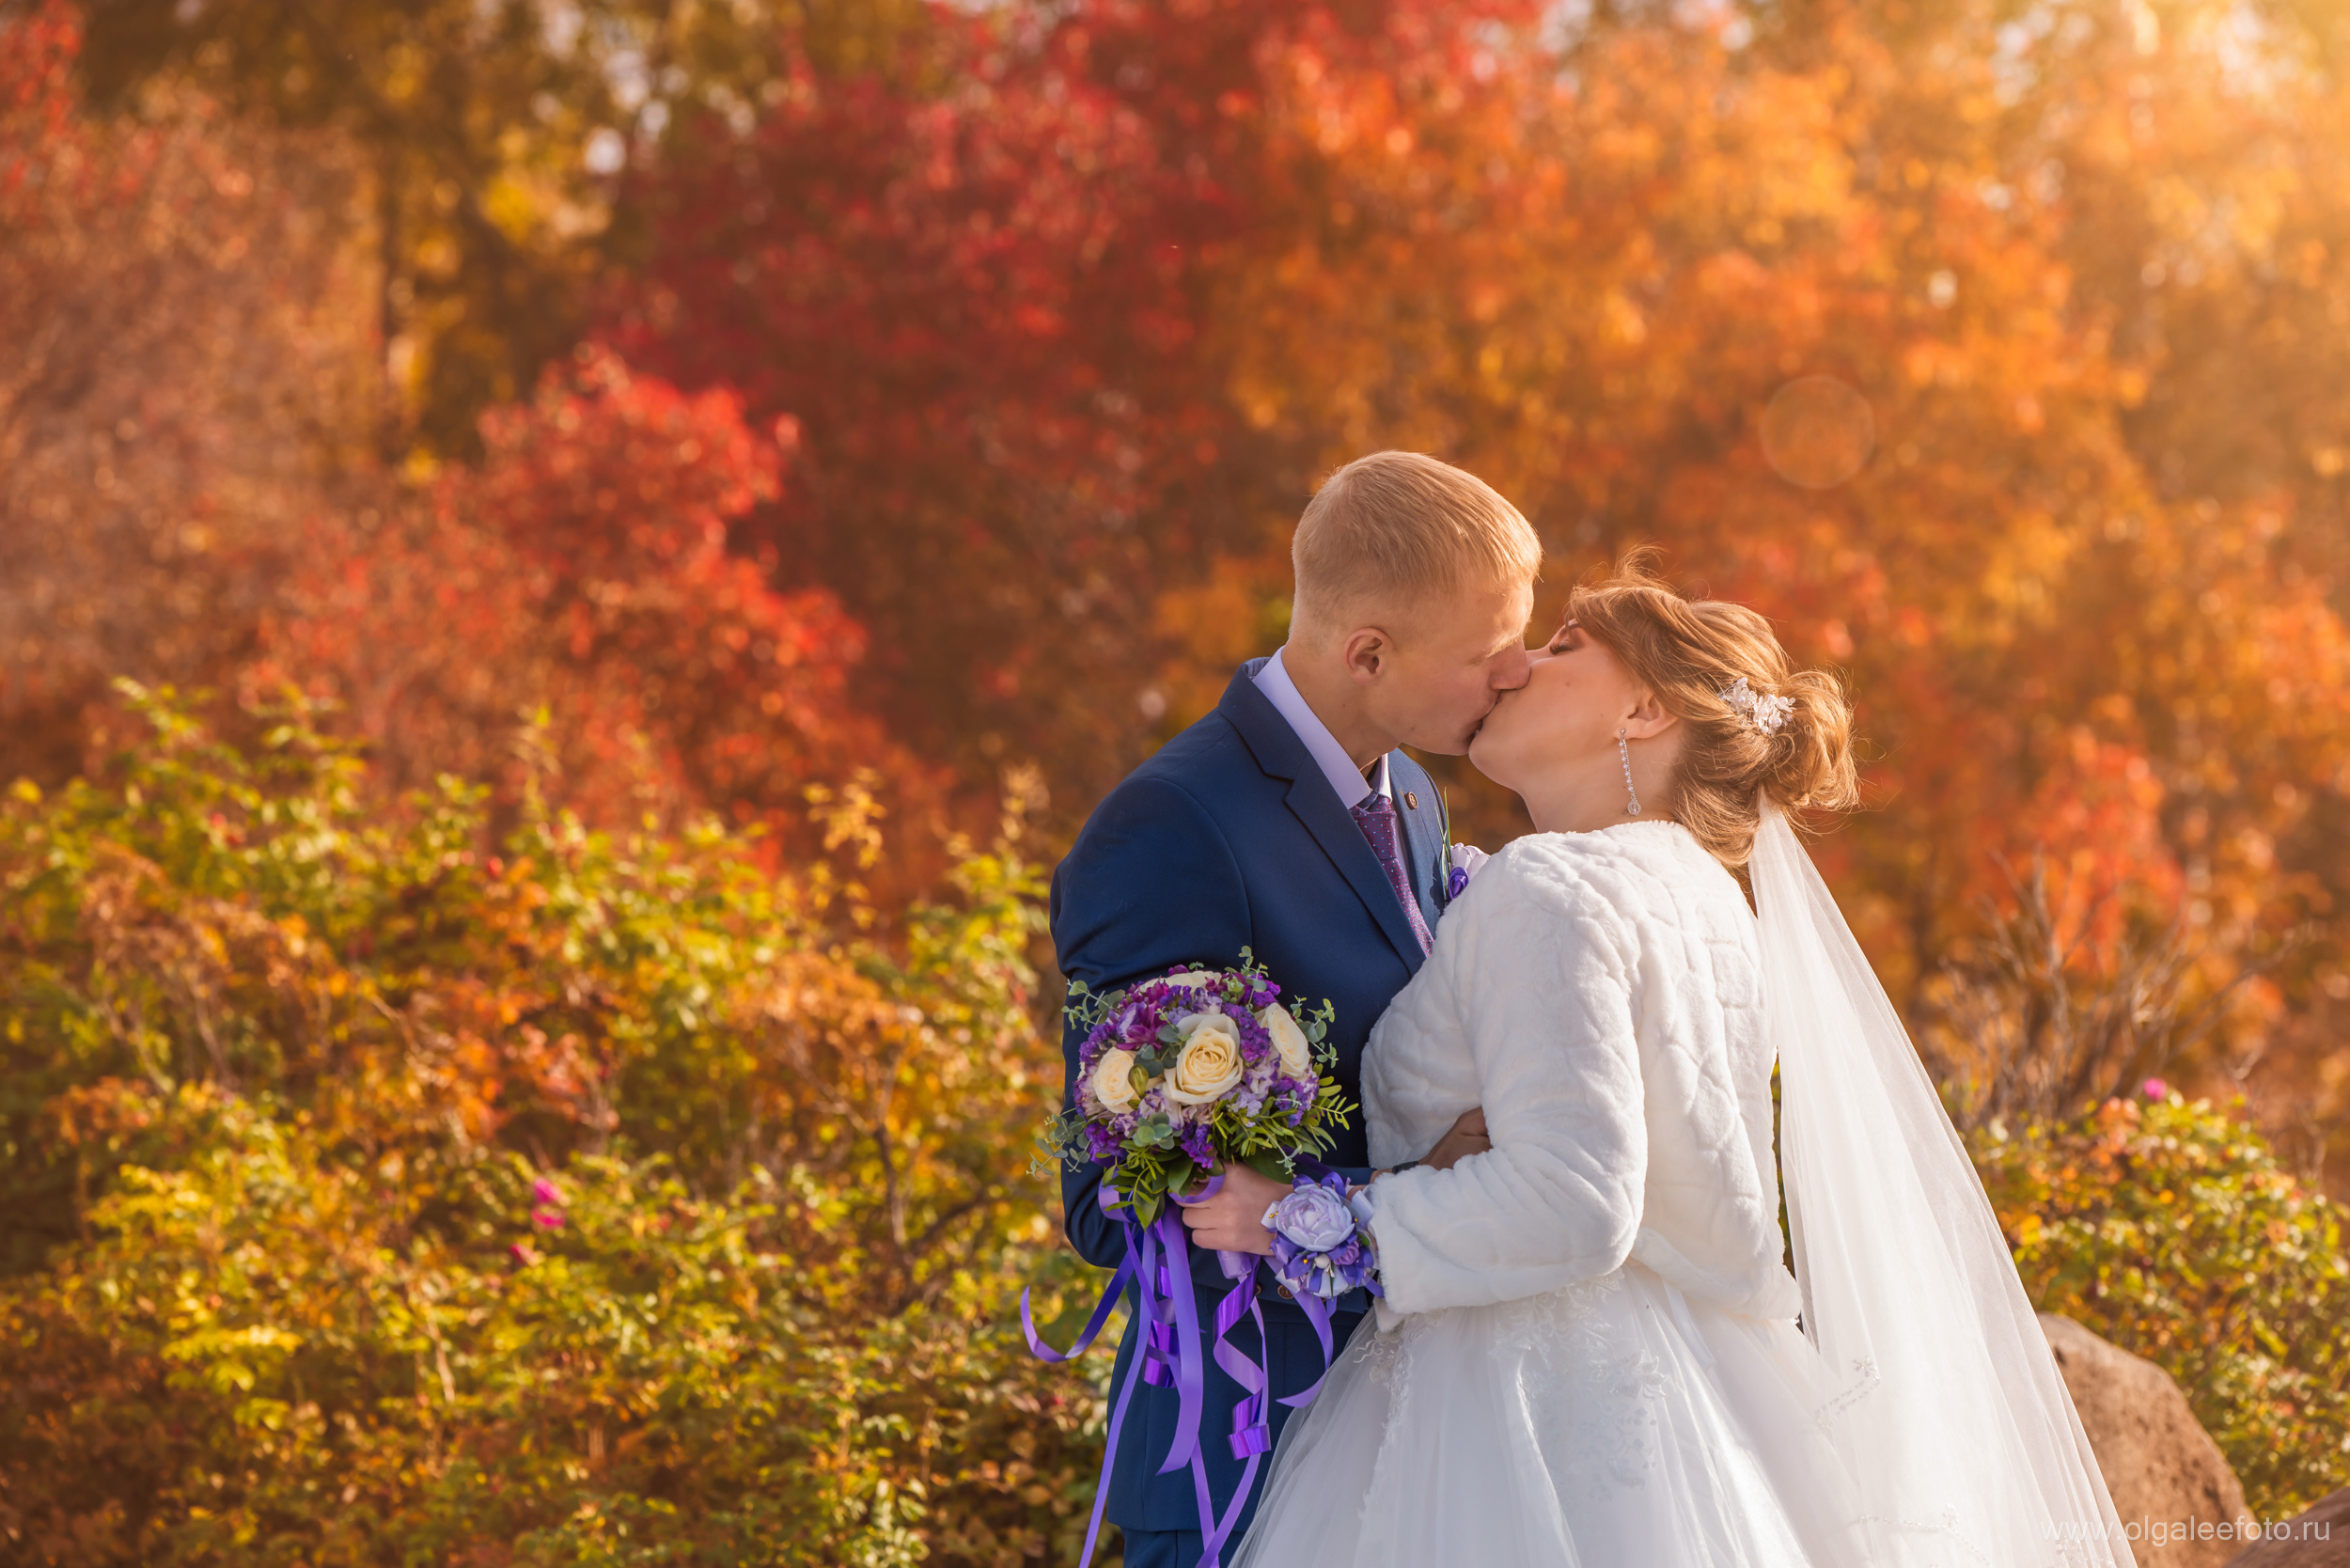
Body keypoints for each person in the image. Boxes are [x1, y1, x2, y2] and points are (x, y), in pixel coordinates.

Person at [1231, 559, 2135, 1568]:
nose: (1516, 665)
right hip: (1705, 1398)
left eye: (1564, 647)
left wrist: (1312, 1219)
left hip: (1520, 1406)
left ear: (1646, 711)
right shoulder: (1709, 905)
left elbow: (1570, 1200)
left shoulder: (1553, 886)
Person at [1048, 450, 1540, 1568]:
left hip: (1418, 1437)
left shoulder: (1408, 790)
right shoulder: (1169, 827)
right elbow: (1113, 1194)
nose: (1511, 676)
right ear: (1368, 652)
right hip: (1245, 1450)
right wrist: (1405, 1192)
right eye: (1483, 655)